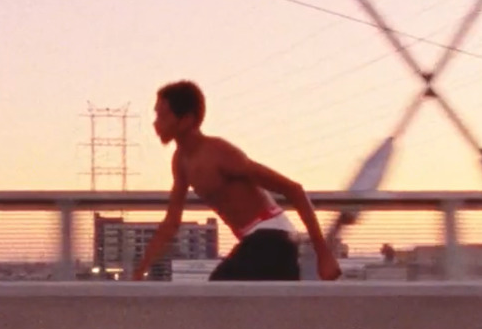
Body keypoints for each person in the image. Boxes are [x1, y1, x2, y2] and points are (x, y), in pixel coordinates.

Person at [131, 80, 342, 282]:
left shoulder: (220, 153)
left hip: (274, 236)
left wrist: (323, 255)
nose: (155, 123)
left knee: (219, 292)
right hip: (257, 242)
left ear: (186, 120)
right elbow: (171, 222)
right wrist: (139, 272)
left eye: (162, 116)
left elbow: (293, 190)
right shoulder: (181, 161)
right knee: (243, 307)